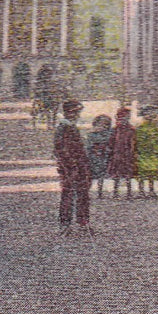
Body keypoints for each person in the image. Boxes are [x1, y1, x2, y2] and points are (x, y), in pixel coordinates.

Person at [53, 99, 92, 234]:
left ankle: (82, 222)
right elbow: (60, 149)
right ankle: (66, 224)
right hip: (70, 167)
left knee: (81, 194)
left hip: (79, 165)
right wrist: (71, 165)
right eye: (76, 112)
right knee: (69, 194)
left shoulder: (71, 127)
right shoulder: (64, 128)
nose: (78, 115)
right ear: (69, 113)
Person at [134, 106, 158, 198]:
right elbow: (135, 139)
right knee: (141, 172)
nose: (150, 115)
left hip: (152, 152)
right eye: (148, 114)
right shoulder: (139, 126)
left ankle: (151, 191)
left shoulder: (155, 127)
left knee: (152, 172)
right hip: (142, 152)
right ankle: (141, 191)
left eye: (151, 114)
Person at [108, 107, 138, 198]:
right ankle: (115, 192)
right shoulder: (115, 130)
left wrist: (134, 152)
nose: (122, 120)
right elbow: (111, 142)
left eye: (125, 117)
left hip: (128, 154)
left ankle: (129, 193)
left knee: (128, 174)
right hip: (117, 154)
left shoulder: (131, 129)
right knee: (117, 174)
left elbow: (134, 142)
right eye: (120, 118)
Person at [85, 113, 114, 199]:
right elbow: (88, 145)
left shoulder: (109, 133)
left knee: (101, 175)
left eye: (106, 124)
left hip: (103, 156)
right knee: (90, 175)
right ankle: (87, 192)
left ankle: (100, 192)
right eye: (101, 123)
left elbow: (110, 143)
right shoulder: (91, 134)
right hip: (93, 156)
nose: (103, 126)